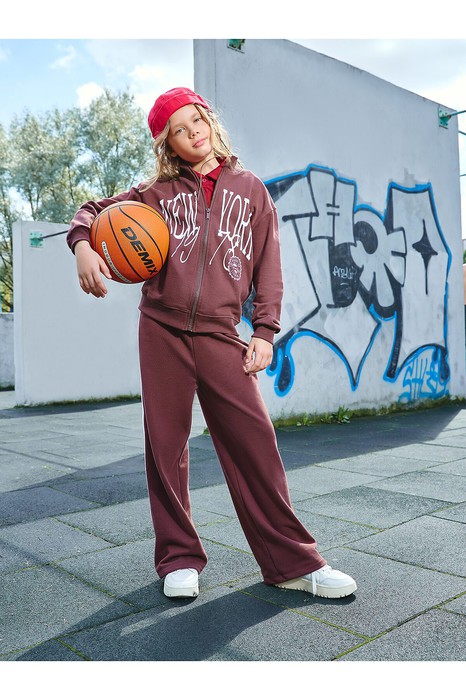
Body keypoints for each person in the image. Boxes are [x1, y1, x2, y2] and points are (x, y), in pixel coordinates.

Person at [67, 87, 357, 600]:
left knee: (255, 443)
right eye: (178, 131)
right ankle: (179, 558)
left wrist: (264, 331)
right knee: (166, 445)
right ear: (168, 145)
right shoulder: (153, 192)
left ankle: (291, 562)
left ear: (210, 120)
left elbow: (269, 268)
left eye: (196, 121)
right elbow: (91, 211)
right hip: (161, 329)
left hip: (223, 331)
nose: (192, 133)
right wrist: (83, 245)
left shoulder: (251, 190)